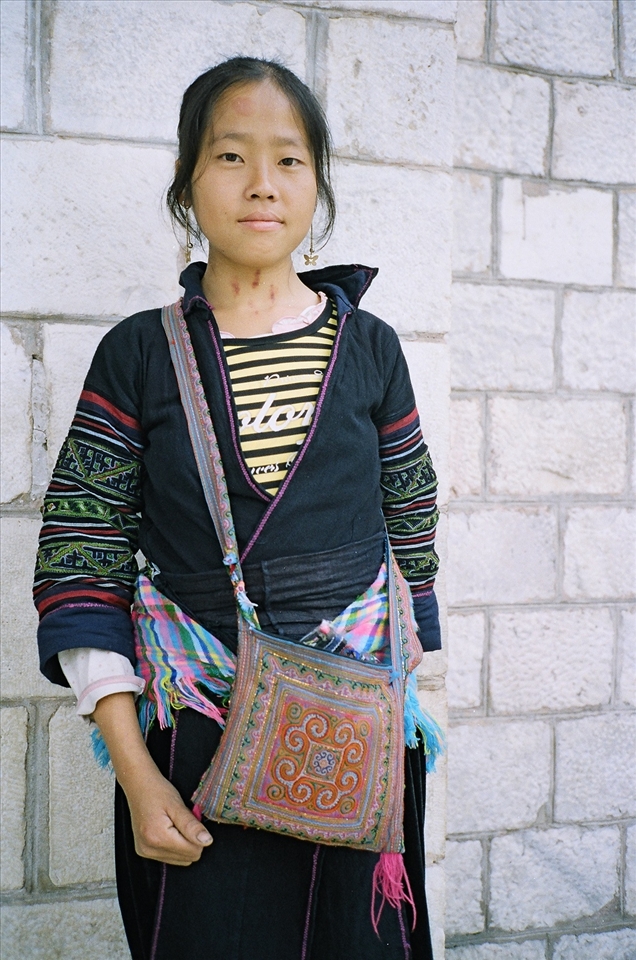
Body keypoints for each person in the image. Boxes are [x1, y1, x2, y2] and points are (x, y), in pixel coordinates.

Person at [33, 57, 441, 960]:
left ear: (317, 187)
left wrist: (407, 671)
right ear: (187, 186)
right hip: (193, 757)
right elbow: (82, 548)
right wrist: (138, 778)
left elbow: (411, 521)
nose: (262, 184)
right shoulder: (138, 355)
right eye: (229, 156)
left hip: (357, 747)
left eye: (290, 161)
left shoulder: (370, 351)